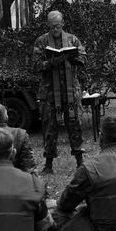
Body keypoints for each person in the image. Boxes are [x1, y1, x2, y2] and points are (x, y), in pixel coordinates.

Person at [33, 10, 87, 174]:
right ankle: (48, 164)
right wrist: (51, 62)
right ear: (48, 26)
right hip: (49, 93)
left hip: (71, 90)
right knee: (49, 128)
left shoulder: (72, 39)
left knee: (75, 125)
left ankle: (80, 162)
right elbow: (35, 66)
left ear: (62, 23)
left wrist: (71, 57)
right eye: (52, 26)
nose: (55, 29)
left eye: (58, 26)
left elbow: (84, 58)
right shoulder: (41, 41)